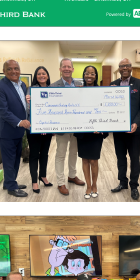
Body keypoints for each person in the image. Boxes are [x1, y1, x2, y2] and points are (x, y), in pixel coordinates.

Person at [110, 59, 140, 201]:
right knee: (120, 158)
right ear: (119, 69)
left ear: (131, 68)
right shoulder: (113, 85)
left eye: (127, 65)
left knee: (134, 158)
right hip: (118, 130)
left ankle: (134, 186)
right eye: (122, 66)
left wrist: (136, 123)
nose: (124, 68)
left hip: (133, 130)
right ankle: (122, 183)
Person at [0, 60, 29, 197]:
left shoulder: (23, 85)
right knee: (9, 159)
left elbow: (24, 105)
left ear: (20, 70)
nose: (14, 71)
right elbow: (3, 110)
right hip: (7, 131)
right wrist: (20, 122)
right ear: (4, 71)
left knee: (15, 159)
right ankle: (12, 187)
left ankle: (9, 182)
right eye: (10, 69)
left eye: (16, 68)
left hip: (19, 131)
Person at [52, 58, 85, 196]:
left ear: (72, 69)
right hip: (62, 127)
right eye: (63, 66)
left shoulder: (80, 85)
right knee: (60, 154)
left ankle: (72, 176)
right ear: (60, 69)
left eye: (69, 67)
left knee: (73, 153)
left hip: (77, 126)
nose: (66, 69)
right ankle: (60, 182)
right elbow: (51, 108)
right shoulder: (53, 87)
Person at [74, 65, 109, 199]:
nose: (89, 76)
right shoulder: (77, 91)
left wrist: (102, 129)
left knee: (94, 160)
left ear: (96, 76)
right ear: (83, 75)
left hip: (96, 132)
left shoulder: (101, 91)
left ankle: (95, 185)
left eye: (92, 74)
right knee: (85, 160)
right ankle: (88, 186)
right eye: (87, 73)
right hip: (83, 132)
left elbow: (104, 110)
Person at [25, 66, 53, 194]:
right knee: (34, 154)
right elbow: (28, 110)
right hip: (34, 128)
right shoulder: (30, 90)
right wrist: (27, 102)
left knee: (45, 153)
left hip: (48, 127)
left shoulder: (53, 90)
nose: (42, 75)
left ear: (47, 75)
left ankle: (43, 176)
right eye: (39, 74)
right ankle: (34, 181)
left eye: (44, 73)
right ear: (36, 77)